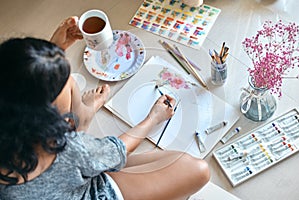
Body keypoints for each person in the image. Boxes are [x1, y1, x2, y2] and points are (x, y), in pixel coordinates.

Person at [0, 16, 210, 200]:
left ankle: (83, 117)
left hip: (64, 183)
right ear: (50, 119)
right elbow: (118, 149)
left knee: (133, 161)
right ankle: (83, 118)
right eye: (65, 84)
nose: (70, 80)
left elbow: (21, 88)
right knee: (198, 169)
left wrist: (52, 52)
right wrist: (153, 118)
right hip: (92, 191)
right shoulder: (68, 149)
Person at [50, 16, 110, 131]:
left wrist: (55, 49)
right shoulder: (70, 146)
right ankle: (82, 119)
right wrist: (152, 118)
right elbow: (118, 146)